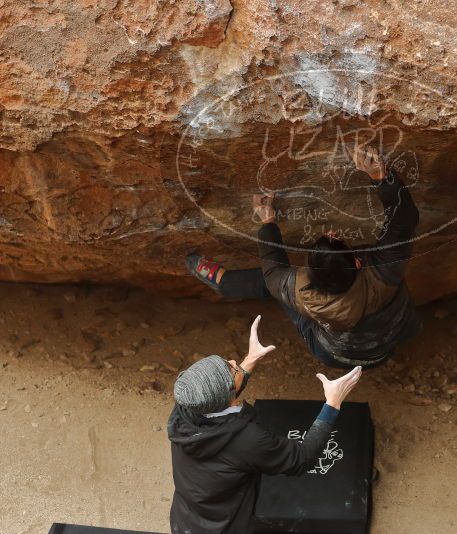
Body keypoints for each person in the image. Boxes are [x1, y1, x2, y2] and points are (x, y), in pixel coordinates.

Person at [186, 144, 421, 369]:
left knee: (270, 285)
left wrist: (267, 221)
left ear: (309, 273)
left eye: (330, 237)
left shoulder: (299, 290)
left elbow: (271, 273)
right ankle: (228, 284)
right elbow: (403, 220)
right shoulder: (384, 272)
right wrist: (380, 175)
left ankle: (227, 283)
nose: (331, 232)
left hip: (332, 352)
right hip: (386, 345)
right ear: (358, 262)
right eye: (335, 238)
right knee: (275, 285)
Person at [168, 315, 362, 534]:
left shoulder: (185, 406)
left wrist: (249, 362)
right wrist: (333, 403)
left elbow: (221, 397)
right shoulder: (246, 440)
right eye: (232, 370)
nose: (233, 362)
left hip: (186, 521)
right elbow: (302, 458)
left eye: (227, 363)